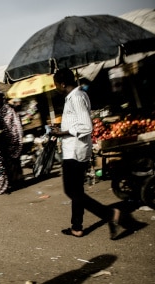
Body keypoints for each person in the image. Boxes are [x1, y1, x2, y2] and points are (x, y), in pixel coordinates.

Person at [51, 68, 121, 239]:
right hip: (74, 148)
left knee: (71, 191)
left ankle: (109, 214)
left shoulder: (76, 97)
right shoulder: (75, 96)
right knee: (76, 191)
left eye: (56, 86)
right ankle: (77, 227)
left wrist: (62, 133)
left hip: (75, 151)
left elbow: (86, 126)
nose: (56, 89)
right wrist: (61, 130)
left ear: (62, 83)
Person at [0, 91, 24, 190]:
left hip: (13, 138)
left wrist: (20, 136)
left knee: (15, 160)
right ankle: (11, 181)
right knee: (7, 162)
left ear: (3, 99)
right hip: (3, 140)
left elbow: (17, 124)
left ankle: (18, 180)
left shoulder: (11, 110)